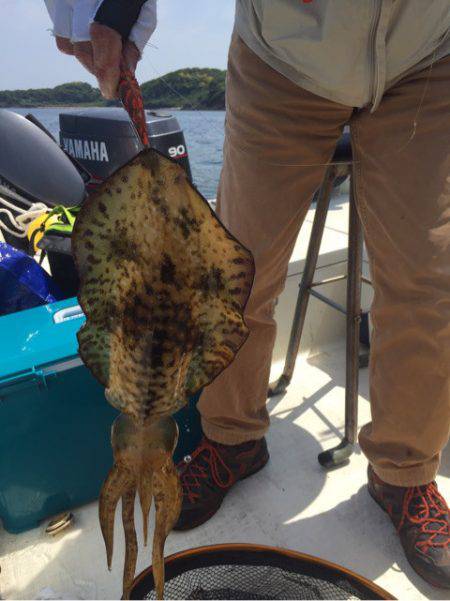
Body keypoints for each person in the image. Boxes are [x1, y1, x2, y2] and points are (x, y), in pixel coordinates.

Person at [46, 0, 450, 589]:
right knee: (237, 276)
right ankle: (232, 439)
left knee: (427, 282)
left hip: (426, 52)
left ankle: (405, 472)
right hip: (285, 56)